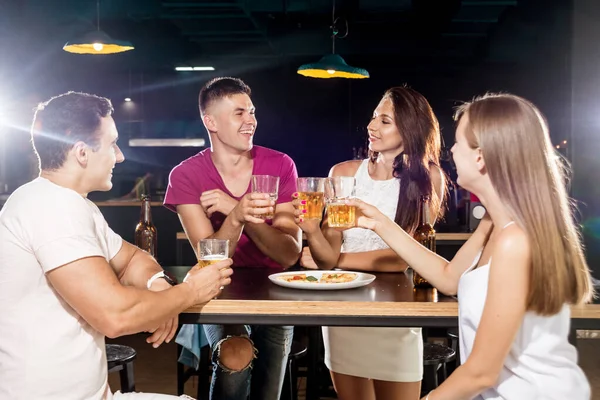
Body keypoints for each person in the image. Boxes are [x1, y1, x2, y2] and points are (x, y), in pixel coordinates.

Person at [346, 93, 593, 400]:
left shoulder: (515, 241)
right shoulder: (494, 224)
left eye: (459, 142)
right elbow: (449, 277)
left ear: (481, 157)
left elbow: (481, 372)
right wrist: (380, 222)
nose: (451, 150)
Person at [0, 91, 233, 400]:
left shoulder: (73, 206)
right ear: (82, 153)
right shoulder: (50, 207)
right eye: (112, 144)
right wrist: (189, 292)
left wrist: (159, 284)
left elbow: (131, 258)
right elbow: (115, 316)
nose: (120, 156)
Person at [293, 86, 446, 400]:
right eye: (374, 117)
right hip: (343, 310)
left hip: (395, 312)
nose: (372, 126)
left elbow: (401, 259)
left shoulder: (427, 178)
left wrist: (337, 263)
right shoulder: (343, 173)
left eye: (385, 120)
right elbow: (326, 255)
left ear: (411, 128)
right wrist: (312, 231)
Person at [164, 77, 301, 400]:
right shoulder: (185, 175)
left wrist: (237, 213)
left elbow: (288, 254)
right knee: (236, 351)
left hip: (277, 289)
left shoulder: (280, 165)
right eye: (239, 113)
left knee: (268, 391)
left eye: (252, 112)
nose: (251, 121)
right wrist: (238, 215)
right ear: (210, 122)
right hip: (220, 289)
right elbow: (207, 255)